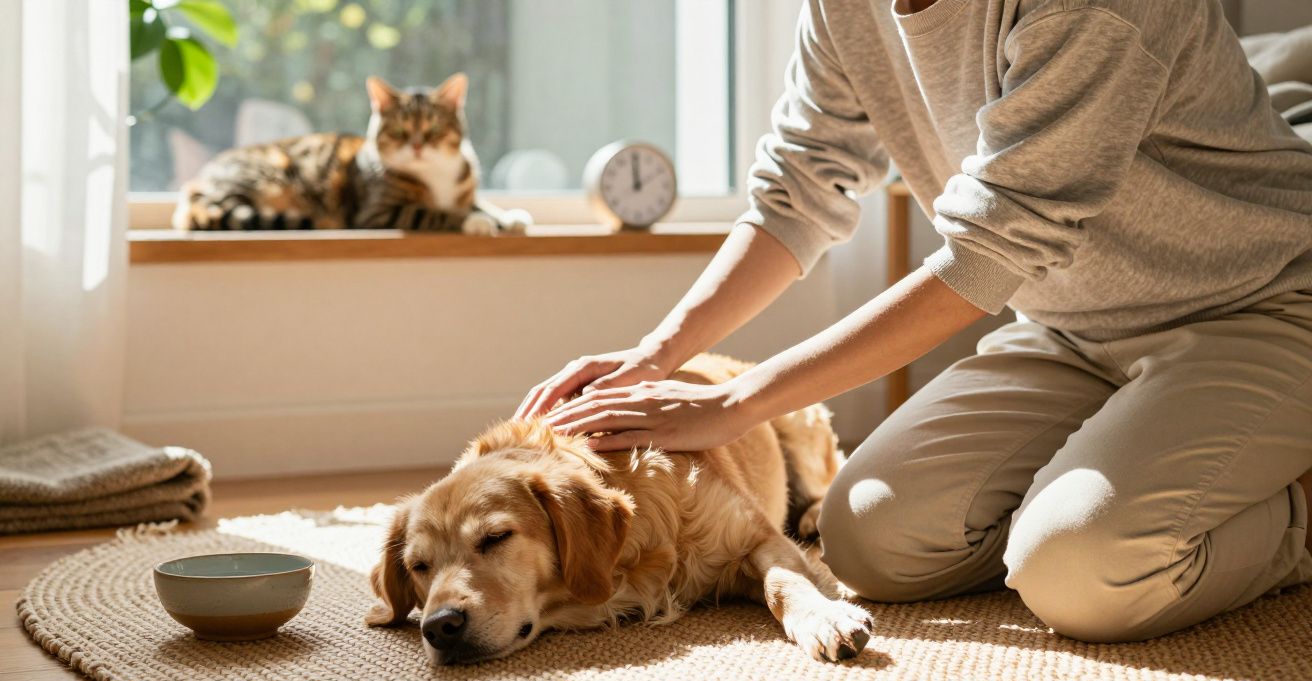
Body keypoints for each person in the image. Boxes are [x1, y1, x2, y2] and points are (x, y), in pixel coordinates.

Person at [515, 0, 1312, 643]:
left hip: (1262, 301)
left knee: (1080, 572)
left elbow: (989, 251)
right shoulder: (845, 7)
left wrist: (737, 402)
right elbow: (797, 189)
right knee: (868, 537)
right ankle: (1130, 473)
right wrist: (657, 355)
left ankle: (1297, 505)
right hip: (1069, 329)